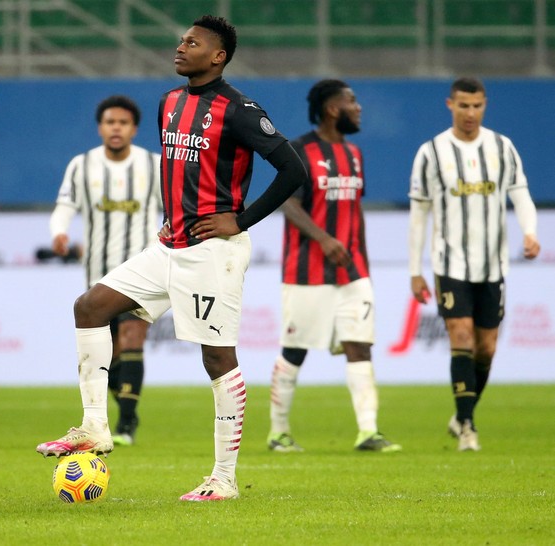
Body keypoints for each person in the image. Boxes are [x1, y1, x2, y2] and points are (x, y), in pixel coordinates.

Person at [36, 15, 305, 501]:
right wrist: (172, 216)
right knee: (90, 306)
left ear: (218, 56)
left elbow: (293, 169)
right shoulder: (169, 103)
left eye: (194, 42)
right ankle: (95, 427)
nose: (181, 47)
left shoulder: (240, 109)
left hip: (213, 251)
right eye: (182, 39)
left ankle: (224, 478)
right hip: (169, 244)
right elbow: (181, 172)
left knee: (218, 358)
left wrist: (239, 221)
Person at [267, 80, 402, 454]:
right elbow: (288, 203)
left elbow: (355, 209)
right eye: (352, 101)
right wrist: (324, 239)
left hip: (353, 273)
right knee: (295, 350)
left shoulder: (355, 153)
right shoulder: (299, 150)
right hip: (306, 272)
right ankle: (278, 433)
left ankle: (368, 432)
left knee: (360, 346)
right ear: (331, 109)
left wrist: (365, 264)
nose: (358, 108)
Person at [408, 76, 540, 451]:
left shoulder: (502, 147)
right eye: (463, 105)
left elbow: (521, 195)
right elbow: (419, 214)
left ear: (485, 105)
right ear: (450, 105)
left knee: (486, 349)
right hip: (450, 264)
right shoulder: (431, 152)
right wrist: (415, 269)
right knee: (461, 337)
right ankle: (467, 425)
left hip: (493, 266)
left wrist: (529, 232)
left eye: (477, 105)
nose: (470, 113)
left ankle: (462, 412)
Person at [49, 95, 162, 446]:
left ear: (133, 129)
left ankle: (126, 424)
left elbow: (174, 207)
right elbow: (65, 205)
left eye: (123, 123)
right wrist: (59, 231)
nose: (116, 128)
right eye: (110, 122)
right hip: (97, 275)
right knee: (104, 353)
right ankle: (120, 407)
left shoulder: (154, 165)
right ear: (101, 128)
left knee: (132, 339)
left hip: (142, 271)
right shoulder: (82, 166)